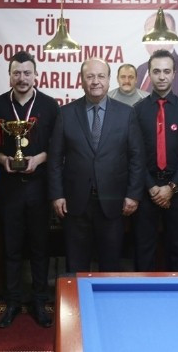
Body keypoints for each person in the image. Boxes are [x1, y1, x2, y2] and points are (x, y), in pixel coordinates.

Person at [0, 51, 59, 329]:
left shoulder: (50, 105)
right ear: (10, 75)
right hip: (9, 187)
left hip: (40, 187)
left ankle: (39, 300)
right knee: (11, 246)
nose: (22, 78)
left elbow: (57, 146)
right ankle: (13, 301)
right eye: (17, 73)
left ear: (36, 75)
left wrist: (39, 159)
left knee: (40, 246)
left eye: (27, 73)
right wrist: (3, 158)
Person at [48, 59, 145, 272]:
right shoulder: (65, 113)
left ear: (109, 80)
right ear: (82, 80)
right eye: (90, 76)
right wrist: (57, 195)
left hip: (114, 202)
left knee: (110, 266)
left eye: (101, 76)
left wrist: (133, 195)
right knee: (76, 266)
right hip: (75, 203)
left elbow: (137, 158)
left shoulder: (127, 114)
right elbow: (55, 159)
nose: (95, 81)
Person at [133, 50, 178, 271]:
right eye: (157, 71)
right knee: (144, 249)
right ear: (150, 74)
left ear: (174, 74)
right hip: (146, 189)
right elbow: (135, 154)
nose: (162, 76)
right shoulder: (137, 111)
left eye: (166, 71)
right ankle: (145, 291)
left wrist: (171, 187)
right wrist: (152, 187)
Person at [136, 11, 178, 110]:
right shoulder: (141, 69)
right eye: (150, 31)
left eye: (164, 30)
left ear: (174, 34)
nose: (157, 36)